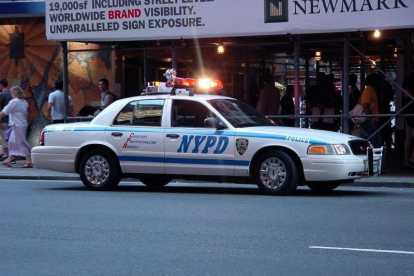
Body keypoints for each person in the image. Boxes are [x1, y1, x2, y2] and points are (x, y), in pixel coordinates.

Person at [0, 86, 32, 168]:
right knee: (12, 142)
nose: (11, 95)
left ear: (14, 93)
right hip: (20, 124)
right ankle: (9, 159)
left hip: (17, 125)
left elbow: (4, 112)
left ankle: (28, 161)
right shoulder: (24, 102)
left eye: (11, 93)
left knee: (21, 142)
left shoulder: (14, 102)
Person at [359, 73, 382, 148]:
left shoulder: (371, 91)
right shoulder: (368, 91)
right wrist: (371, 117)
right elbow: (365, 105)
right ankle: (373, 158)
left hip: (371, 119)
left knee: (374, 140)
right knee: (375, 141)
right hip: (369, 120)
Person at [402, 72, 414, 169]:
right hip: (411, 110)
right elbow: (407, 94)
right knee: (410, 137)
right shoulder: (411, 78)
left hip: (408, 110)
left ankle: (407, 161)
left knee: (409, 138)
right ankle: (411, 160)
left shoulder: (407, 78)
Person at [0, 78, 12, 161]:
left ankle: (6, 154)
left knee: (4, 137)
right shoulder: (12, 94)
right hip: (12, 120)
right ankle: (11, 155)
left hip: (4, 119)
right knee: (10, 138)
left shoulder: (2, 95)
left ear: (1, 85)